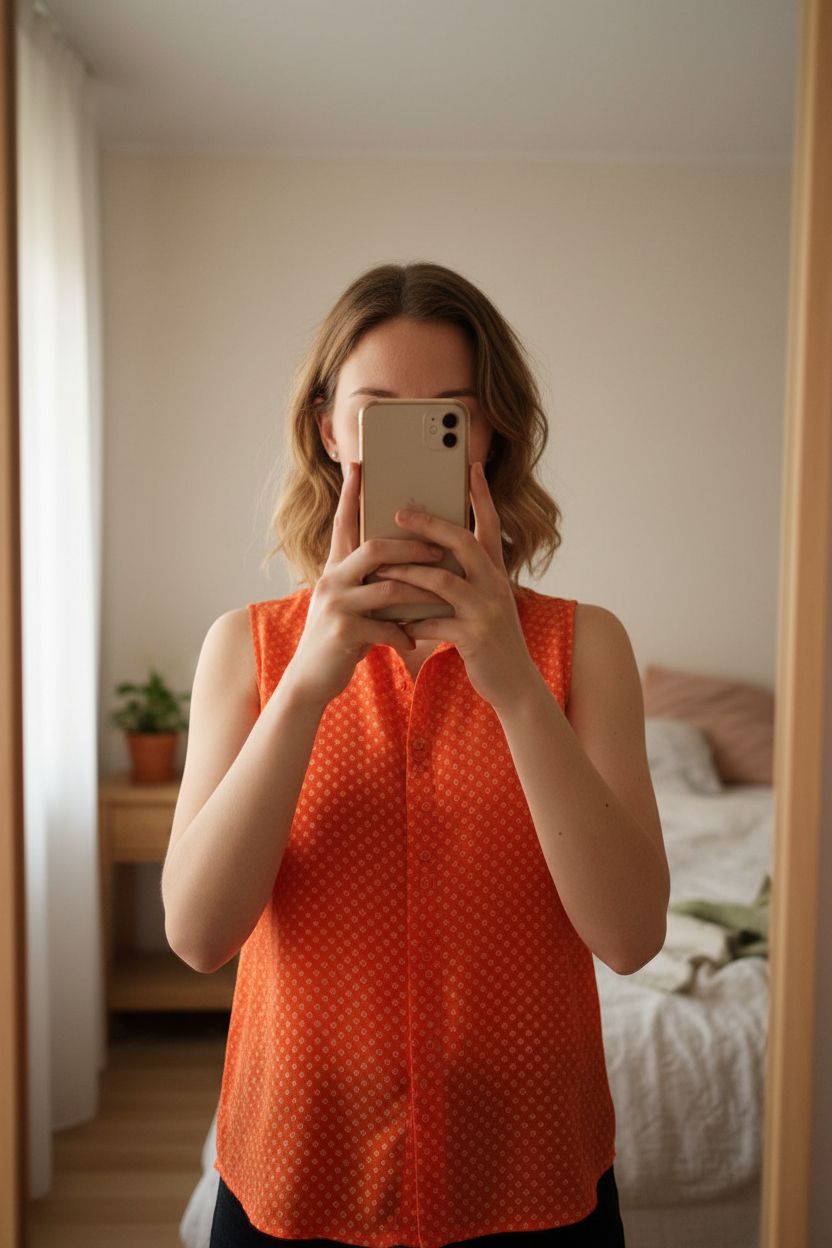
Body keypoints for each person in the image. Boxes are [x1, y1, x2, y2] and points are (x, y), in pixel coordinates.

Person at [162, 262, 670, 1248]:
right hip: (297, 1174)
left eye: (447, 415)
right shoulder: (247, 648)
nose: (415, 435)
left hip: (531, 1177)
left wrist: (513, 682)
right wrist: (309, 680)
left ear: (489, 437)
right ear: (328, 429)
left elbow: (630, 936)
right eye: (378, 409)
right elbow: (196, 934)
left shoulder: (582, 646)